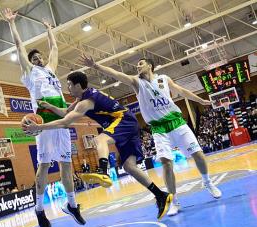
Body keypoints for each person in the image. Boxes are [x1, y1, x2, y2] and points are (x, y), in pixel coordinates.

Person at [80, 54, 222, 216]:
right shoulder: (137, 83)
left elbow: (181, 90)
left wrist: (200, 101)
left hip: (177, 122)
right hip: (158, 128)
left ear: (150, 66)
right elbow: (116, 74)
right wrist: (96, 65)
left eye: (140, 64)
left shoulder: (163, 79)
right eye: (137, 66)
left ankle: (207, 182)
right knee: (167, 163)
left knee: (198, 154)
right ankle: (173, 201)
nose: (138, 67)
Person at [24, 71, 173, 220]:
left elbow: (65, 123)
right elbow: (65, 114)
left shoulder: (85, 102)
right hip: (129, 122)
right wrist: (50, 106)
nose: (67, 87)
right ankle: (160, 195)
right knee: (129, 167)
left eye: (69, 84)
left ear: (77, 85)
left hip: (123, 120)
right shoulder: (82, 98)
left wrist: (39, 127)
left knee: (99, 140)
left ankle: (103, 171)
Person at [3, 8, 86, 227]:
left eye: (39, 57)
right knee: (44, 166)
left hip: (62, 121)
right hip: (44, 122)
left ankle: (71, 205)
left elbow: (55, 48)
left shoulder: (50, 70)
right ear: (30, 63)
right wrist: (12, 24)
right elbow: (20, 48)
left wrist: (50, 30)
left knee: (66, 166)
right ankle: (39, 209)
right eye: (34, 58)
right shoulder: (30, 73)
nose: (38, 59)